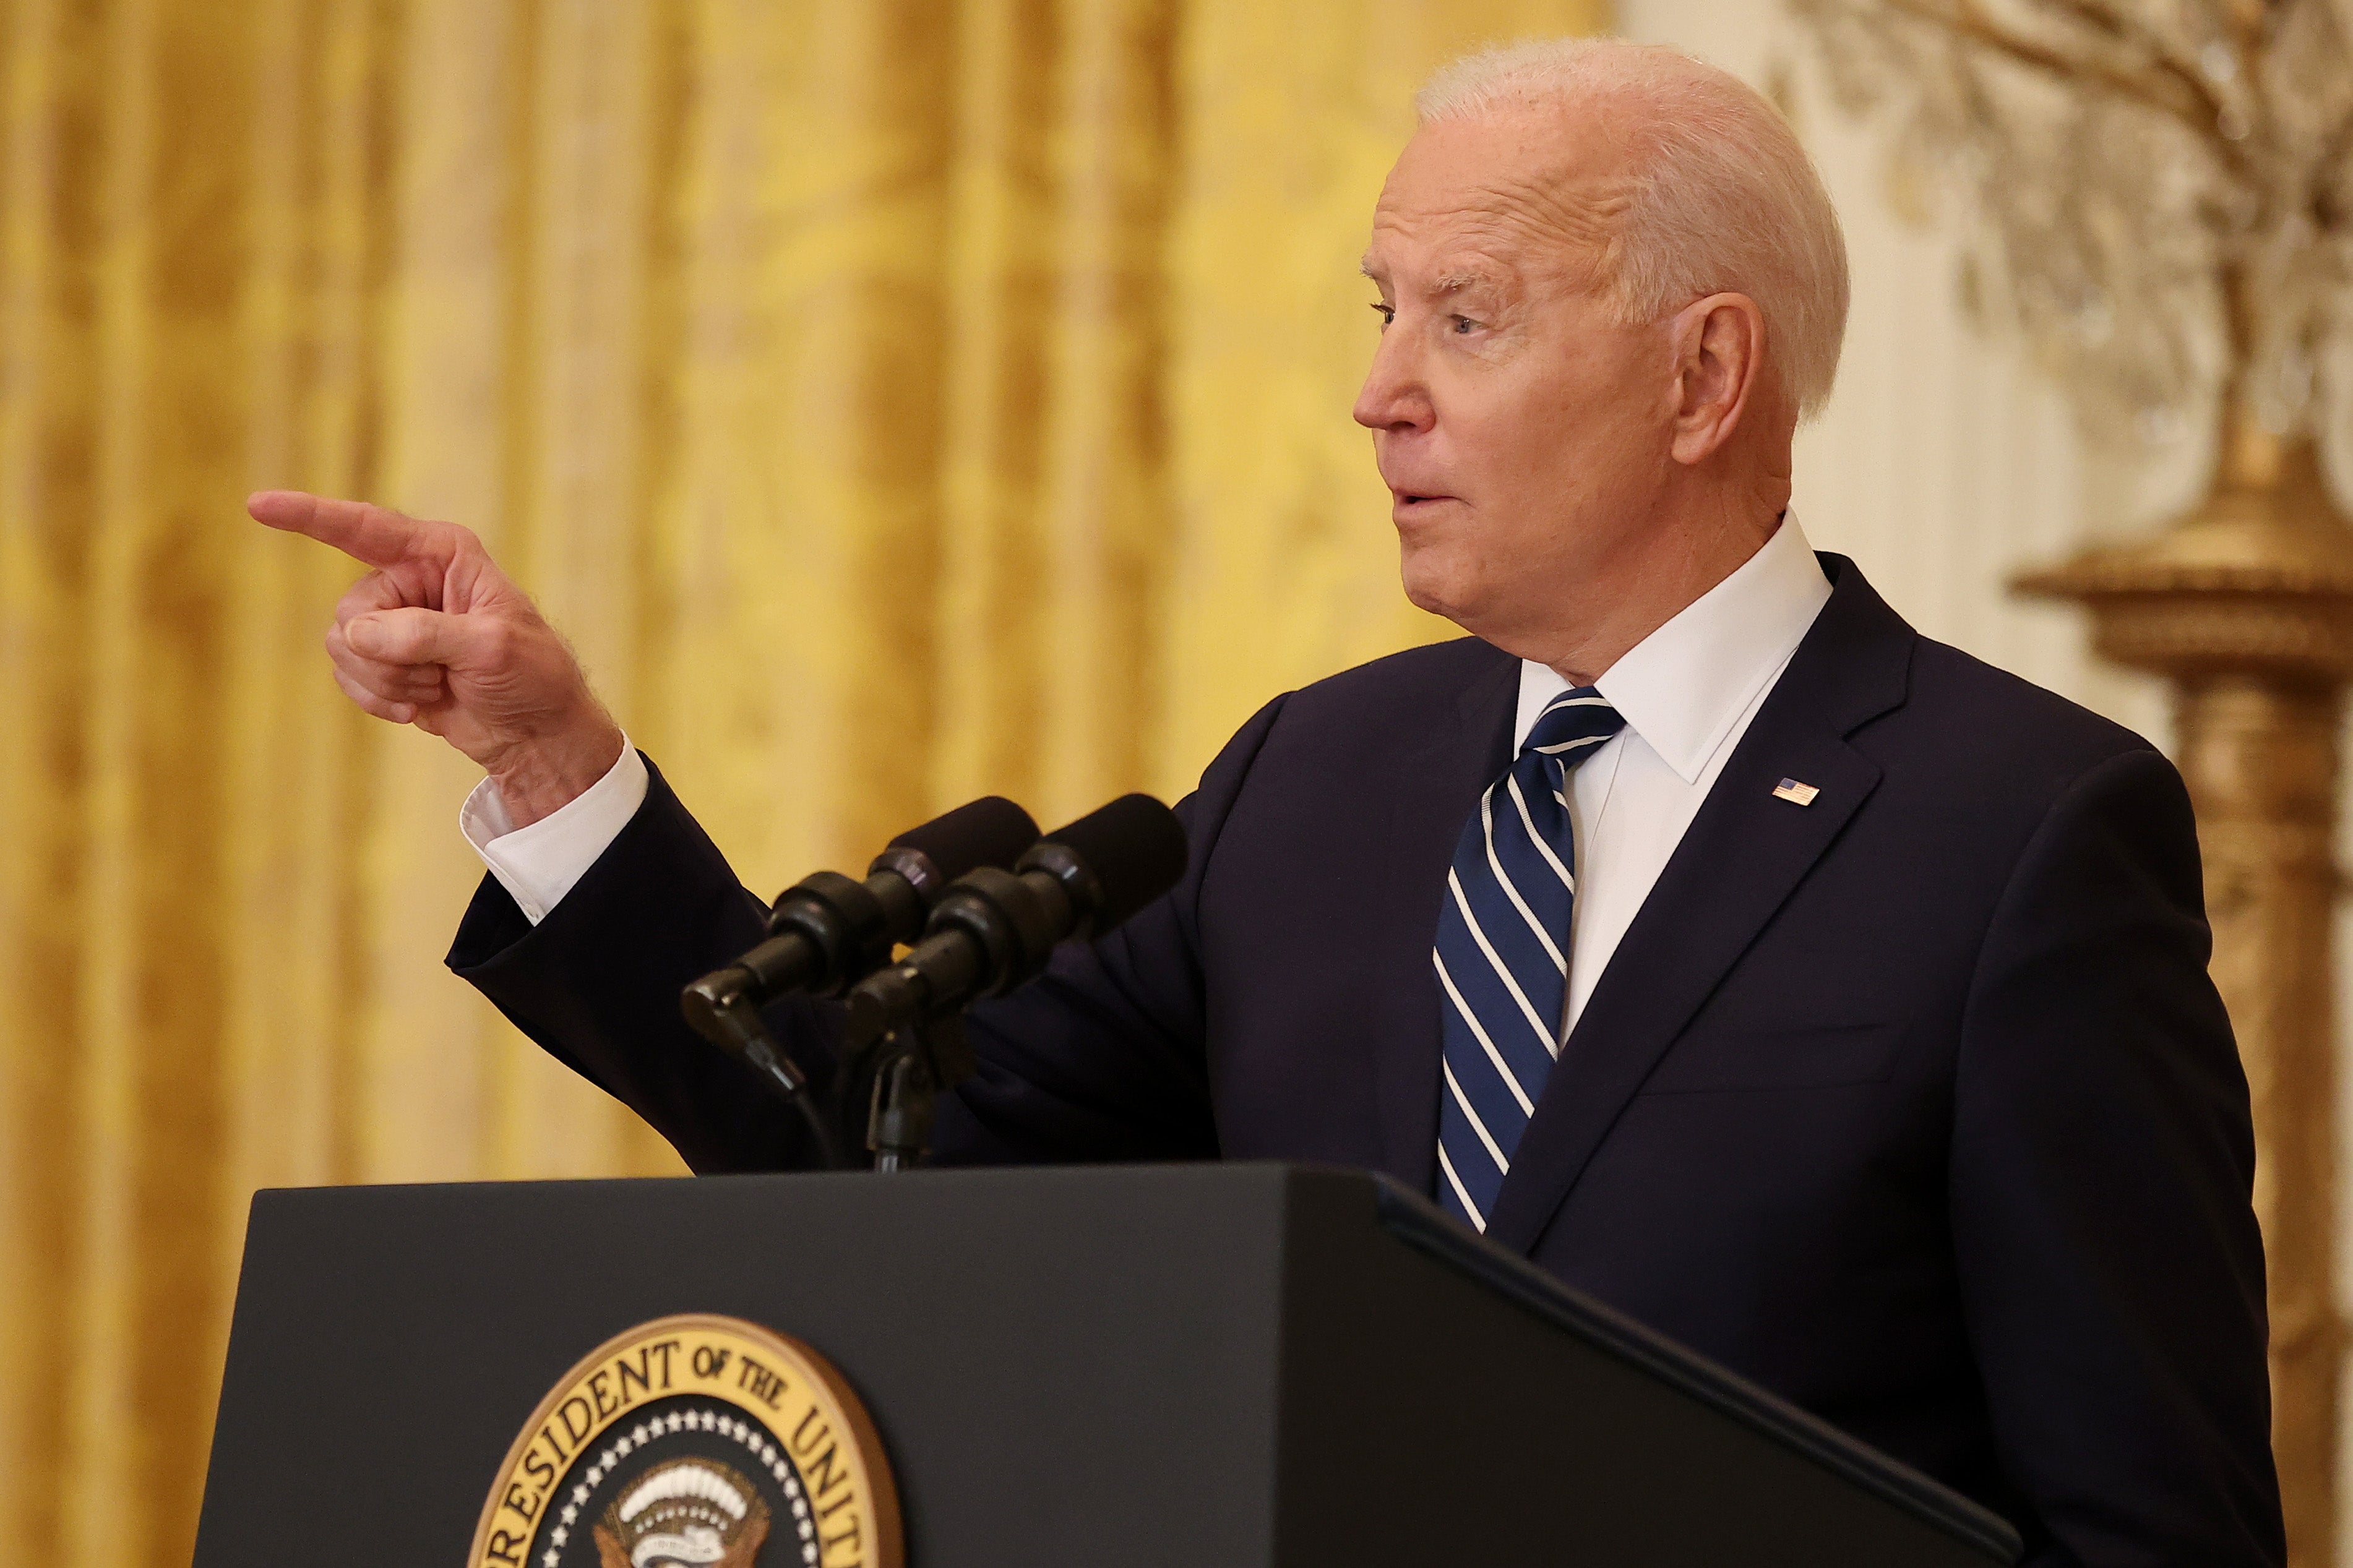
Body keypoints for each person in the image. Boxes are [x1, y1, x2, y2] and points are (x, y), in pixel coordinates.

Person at [250, 38, 2281, 1567]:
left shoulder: (2019, 830)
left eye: (1461, 318)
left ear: (1700, 376)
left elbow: (2148, 1524)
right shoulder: (1321, 778)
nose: (1376, 389)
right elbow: (876, 1146)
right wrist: (551, 767)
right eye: (1376, 309)